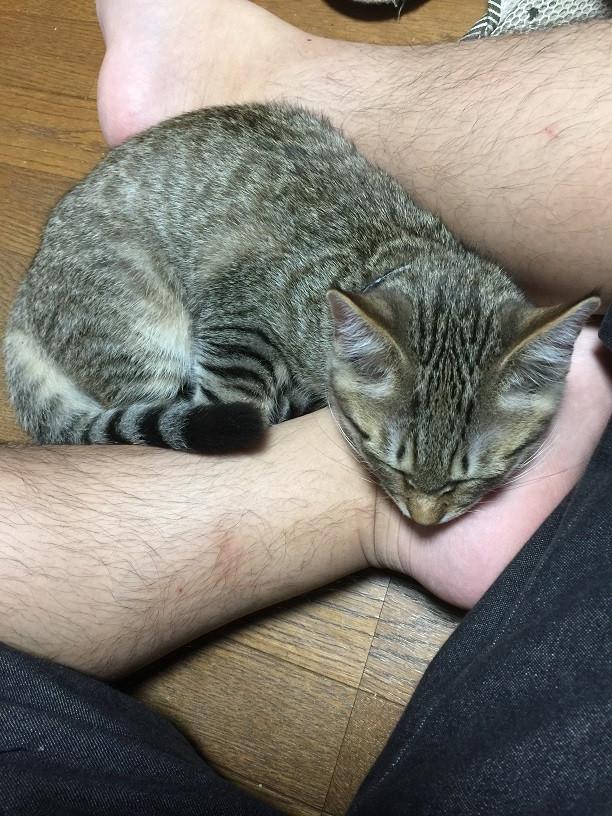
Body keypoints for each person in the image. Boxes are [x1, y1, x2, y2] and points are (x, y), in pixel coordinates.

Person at [0, 1, 610, 813]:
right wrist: (234, 399)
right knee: (217, 400)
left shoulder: (446, 337)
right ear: (353, 345)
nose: (427, 508)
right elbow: (235, 303)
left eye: (470, 478)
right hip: (133, 259)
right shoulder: (348, 324)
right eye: (400, 470)